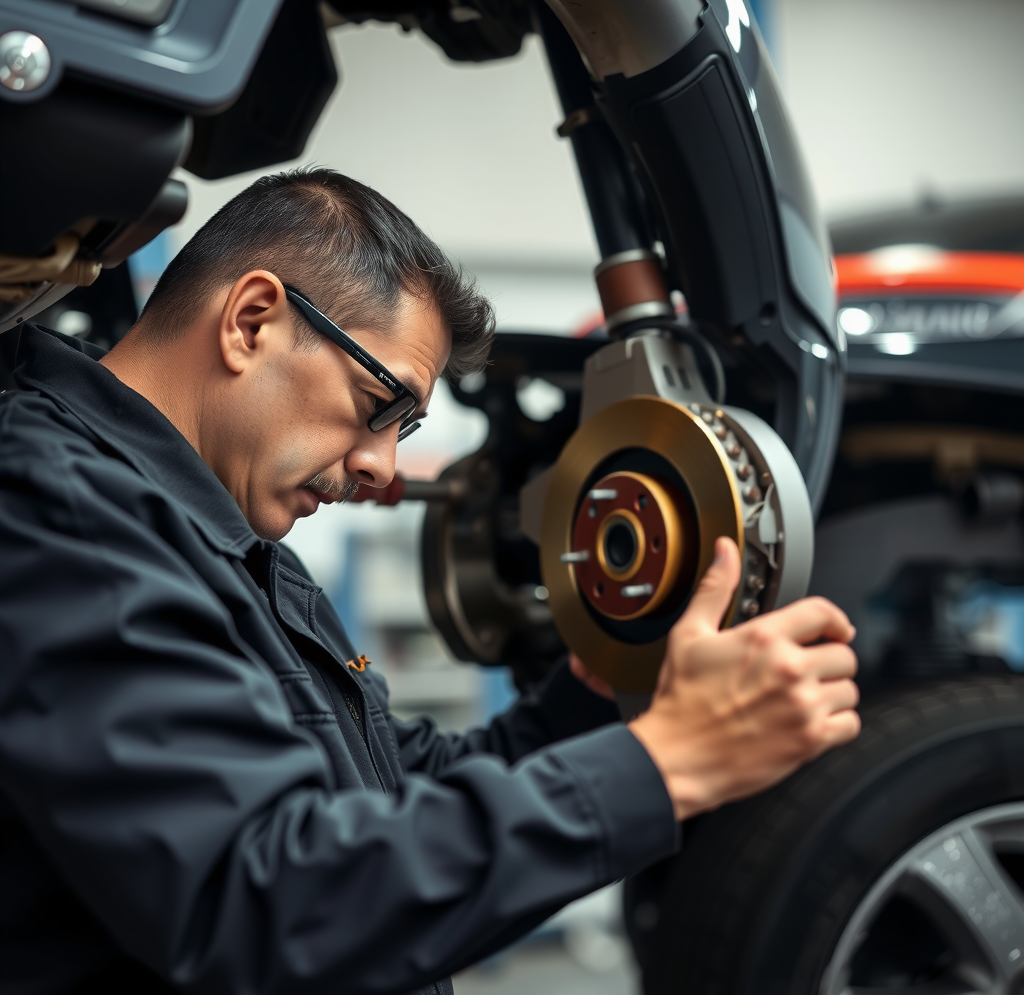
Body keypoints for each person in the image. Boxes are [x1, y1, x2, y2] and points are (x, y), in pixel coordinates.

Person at [0, 168, 860, 995]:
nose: (381, 467)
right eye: (381, 405)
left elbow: (384, 789)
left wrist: (596, 699)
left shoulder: (233, 550)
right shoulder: (62, 511)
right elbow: (263, 897)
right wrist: (665, 767)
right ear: (252, 321)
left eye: (404, 429)